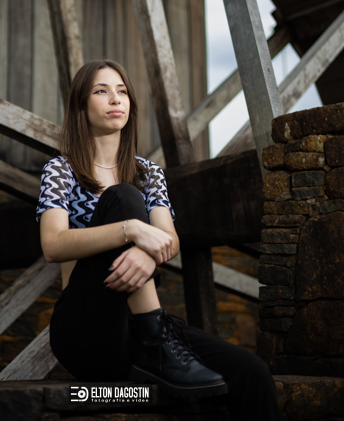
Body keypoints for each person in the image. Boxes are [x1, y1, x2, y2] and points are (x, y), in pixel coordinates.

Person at [36, 60, 280, 418]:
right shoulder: (61, 170)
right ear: (81, 106)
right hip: (86, 331)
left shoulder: (148, 172)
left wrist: (146, 255)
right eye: (101, 91)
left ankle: (156, 343)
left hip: (136, 331)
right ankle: (156, 342)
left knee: (252, 373)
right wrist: (131, 230)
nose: (115, 99)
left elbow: (170, 240)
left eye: (122, 92)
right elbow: (53, 244)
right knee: (123, 197)